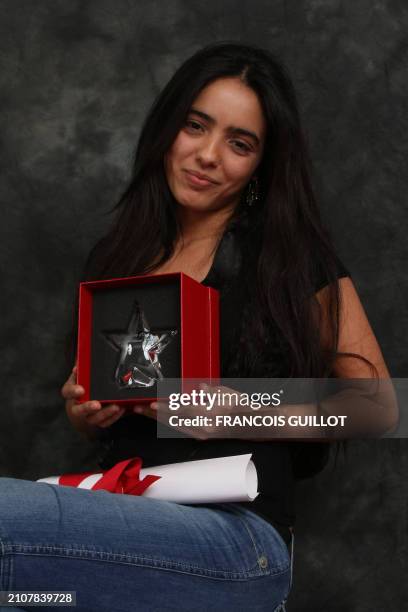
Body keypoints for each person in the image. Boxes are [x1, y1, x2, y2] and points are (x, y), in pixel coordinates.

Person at [0, 42, 395, 612]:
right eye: (195, 126)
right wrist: (82, 411)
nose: (208, 155)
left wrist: (235, 412)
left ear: (261, 165)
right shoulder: (116, 256)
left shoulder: (289, 257)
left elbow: (378, 407)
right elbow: (104, 418)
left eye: (239, 143)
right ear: (168, 129)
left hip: (235, 541)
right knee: (28, 597)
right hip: (124, 516)